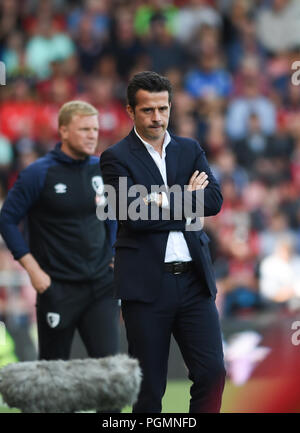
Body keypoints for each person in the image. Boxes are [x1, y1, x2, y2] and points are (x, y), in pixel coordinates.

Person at [100, 71, 226, 413]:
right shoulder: (115, 157)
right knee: (149, 389)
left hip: (194, 282)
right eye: (148, 110)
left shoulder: (190, 149)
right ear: (130, 111)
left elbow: (213, 201)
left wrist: (160, 200)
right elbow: (132, 216)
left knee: (213, 373)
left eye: (163, 108)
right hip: (144, 286)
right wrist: (186, 198)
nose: (157, 117)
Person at [0, 100, 120, 361]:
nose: (92, 136)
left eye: (95, 130)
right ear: (63, 131)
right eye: (84, 129)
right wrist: (32, 269)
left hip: (100, 285)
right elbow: (7, 220)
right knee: (54, 378)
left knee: (111, 372)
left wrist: (114, 254)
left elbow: (112, 215)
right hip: (57, 287)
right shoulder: (38, 174)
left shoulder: (101, 169)